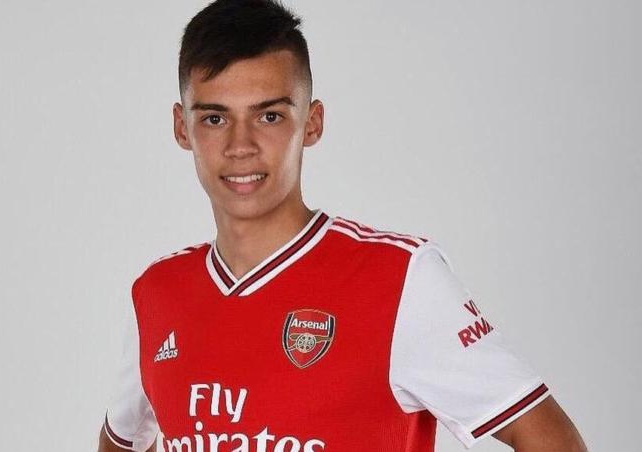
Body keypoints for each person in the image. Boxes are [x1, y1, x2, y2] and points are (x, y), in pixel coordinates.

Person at [98, 1, 587, 450]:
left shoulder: (400, 279)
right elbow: (121, 439)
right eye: (214, 119)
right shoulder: (157, 292)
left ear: (311, 123)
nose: (240, 146)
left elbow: (552, 441)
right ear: (181, 127)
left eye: (269, 116)